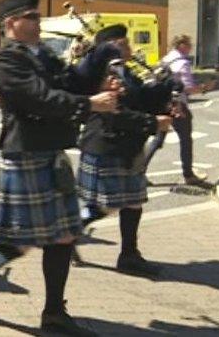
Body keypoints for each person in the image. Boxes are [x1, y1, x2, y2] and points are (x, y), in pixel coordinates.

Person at [0, 0, 118, 336]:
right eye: (31, 15)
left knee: (63, 236)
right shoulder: (7, 60)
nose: (38, 20)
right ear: (12, 22)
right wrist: (90, 104)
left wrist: (99, 55)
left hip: (52, 151)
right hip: (26, 153)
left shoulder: (43, 53)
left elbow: (70, 82)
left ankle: (54, 313)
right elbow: (39, 99)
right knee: (18, 241)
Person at [74, 25, 173, 276]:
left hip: (127, 146)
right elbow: (115, 115)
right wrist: (153, 123)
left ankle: (129, 255)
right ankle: (66, 236)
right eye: (125, 43)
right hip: (107, 146)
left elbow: (140, 100)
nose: (130, 48)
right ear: (114, 45)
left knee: (133, 202)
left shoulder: (126, 71)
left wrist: (166, 92)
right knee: (102, 207)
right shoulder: (104, 74)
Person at [143, 35, 214, 186]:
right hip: (178, 105)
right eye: (189, 45)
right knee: (185, 139)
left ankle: (139, 173)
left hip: (161, 104)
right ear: (181, 45)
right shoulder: (182, 63)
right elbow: (186, 88)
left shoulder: (166, 59)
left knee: (157, 139)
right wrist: (204, 88)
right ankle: (188, 175)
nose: (191, 48)